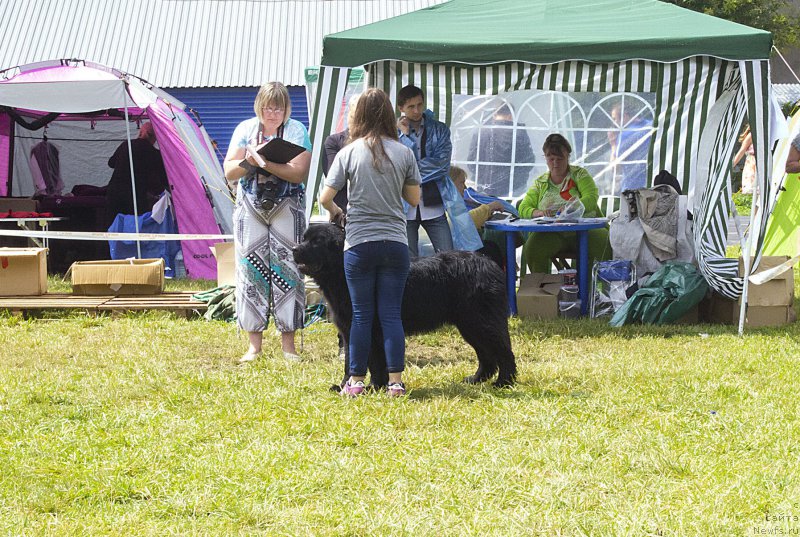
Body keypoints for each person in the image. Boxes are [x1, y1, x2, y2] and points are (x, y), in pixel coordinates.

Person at [320, 88, 422, 397]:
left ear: (359, 116)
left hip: (359, 244)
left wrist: (339, 212)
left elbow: (325, 197)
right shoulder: (404, 152)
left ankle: (356, 381)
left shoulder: (348, 152)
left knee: (361, 314)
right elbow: (414, 199)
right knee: (391, 314)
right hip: (394, 242)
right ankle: (395, 382)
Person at [223, 82, 312, 364]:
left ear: (287, 109)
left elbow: (299, 173)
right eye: (268, 106)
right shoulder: (244, 130)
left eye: (279, 106)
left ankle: (289, 345)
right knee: (250, 270)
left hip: (287, 206)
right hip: (250, 206)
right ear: (259, 106)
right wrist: (251, 162)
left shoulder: (297, 130)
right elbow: (229, 171)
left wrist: (265, 163)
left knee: (289, 269)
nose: (272, 112)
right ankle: (254, 346)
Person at [518, 133, 610, 273]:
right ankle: (543, 291)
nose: (555, 163)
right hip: (552, 233)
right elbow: (523, 208)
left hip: (586, 230)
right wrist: (539, 213)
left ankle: (595, 291)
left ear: (568, 156)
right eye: (551, 158)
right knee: (533, 249)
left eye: (560, 158)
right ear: (545, 158)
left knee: (605, 243)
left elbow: (591, 197)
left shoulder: (580, 175)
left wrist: (572, 207)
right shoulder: (540, 183)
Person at [396, 84, 455, 256]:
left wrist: (409, 172)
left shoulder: (440, 129)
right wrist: (404, 136)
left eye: (420, 105)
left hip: (433, 204)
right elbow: (395, 167)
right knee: (408, 264)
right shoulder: (393, 133)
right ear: (401, 108)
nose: (416, 110)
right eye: (411, 106)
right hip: (404, 209)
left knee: (449, 260)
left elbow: (442, 166)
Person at [105, 122, 169, 225]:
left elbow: (111, 163)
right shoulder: (155, 154)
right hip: (136, 195)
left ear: (141, 133)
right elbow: (163, 179)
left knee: (114, 225)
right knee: (134, 226)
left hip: (115, 192)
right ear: (154, 138)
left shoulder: (126, 145)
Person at [467, 104, 535, 197]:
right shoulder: (518, 132)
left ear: (494, 115)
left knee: (484, 211)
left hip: (484, 189)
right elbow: (529, 161)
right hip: (513, 189)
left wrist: (482, 177)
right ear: (511, 116)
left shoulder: (481, 131)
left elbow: (471, 161)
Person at [449, 165, 505, 267]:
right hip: (455, 255)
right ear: (451, 184)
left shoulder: (454, 202)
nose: (465, 188)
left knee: (491, 246)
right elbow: (465, 222)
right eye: (462, 183)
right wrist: (489, 208)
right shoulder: (446, 203)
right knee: (490, 251)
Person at [322, 94, 361, 214]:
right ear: (349, 115)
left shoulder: (378, 144)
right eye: (355, 115)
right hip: (343, 212)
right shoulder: (333, 142)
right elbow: (334, 178)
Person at [609, 103, 651, 194]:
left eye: (615, 119)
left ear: (624, 116)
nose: (614, 123)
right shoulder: (650, 125)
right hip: (652, 185)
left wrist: (613, 144)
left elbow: (616, 168)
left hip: (632, 189)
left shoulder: (624, 136)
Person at [733, 124, 756, 194]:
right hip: (752, 163)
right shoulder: (751, 135)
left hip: (759, 163)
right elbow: (741, 151)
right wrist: (732, 165)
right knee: (751, 187)